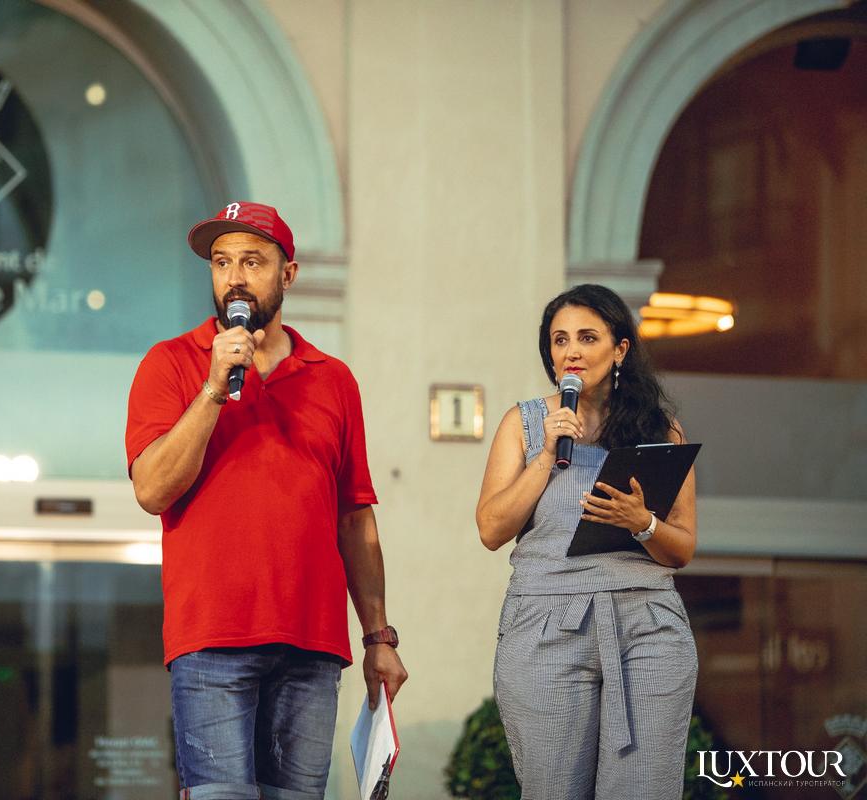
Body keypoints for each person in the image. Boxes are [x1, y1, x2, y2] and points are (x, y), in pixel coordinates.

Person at [125, 201, 407, 800]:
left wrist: (378, 638)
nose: (234, 277)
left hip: (312, 645)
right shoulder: (170, 363)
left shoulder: (333, 379)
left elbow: (355, 519)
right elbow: (152, 490)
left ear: (288, 274)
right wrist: (213, 388)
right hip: (212, 639)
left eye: (252, 261)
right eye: (221, 262)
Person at [476, 284, 699, 800]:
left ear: (620, 349)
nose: (571, 351)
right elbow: (491, 529)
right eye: (559, 340)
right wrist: (546, 455)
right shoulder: (525, 423)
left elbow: (683, 548)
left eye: (587, 337)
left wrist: (641, 522)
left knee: (643, 790)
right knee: (553, 788)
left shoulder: (660, 429)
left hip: (648, 624)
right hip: (546, 625)